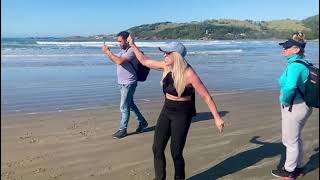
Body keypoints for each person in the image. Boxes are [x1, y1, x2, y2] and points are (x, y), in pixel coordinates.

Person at [127, 34, 225, 180]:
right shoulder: (167, 66)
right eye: (164, 52)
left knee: (176, 152)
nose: (164, 55)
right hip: (167, 110)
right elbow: (145, 61)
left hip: (182, 113)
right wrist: (133, 45)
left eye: (167, 53)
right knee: (157, 148)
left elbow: (206, 96)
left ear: (177, 56)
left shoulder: (189, 74)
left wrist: (217, 118)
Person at [271, 32, 313, 179]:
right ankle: (300, 167)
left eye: (287, 47)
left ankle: (289, 171)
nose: (284, 49)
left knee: (289, 141)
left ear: (296, 49)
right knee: (296, 138)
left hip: (295, 107)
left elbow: (289, 88)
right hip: (304, 106)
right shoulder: (304, 63)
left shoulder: (295, 66)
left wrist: (285, 101)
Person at [102, 31, 148, 139]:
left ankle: (123, 129)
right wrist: (108, 52)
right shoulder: (123, 51)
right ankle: (142, 122)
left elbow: (120, 61)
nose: (119, 43)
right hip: (122, 83)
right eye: (118, 41)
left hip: (129, 83)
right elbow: (115, 59)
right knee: (130, 104)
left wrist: (108, 52)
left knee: (124, 106)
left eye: (120, 41)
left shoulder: (132, 51)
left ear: (127, 40)